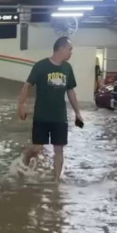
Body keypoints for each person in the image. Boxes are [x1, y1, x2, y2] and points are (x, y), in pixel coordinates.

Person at [17, 37, 82, 181]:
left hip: (60, 117)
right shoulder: (41, 66)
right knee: (37, 148)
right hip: (42, 116)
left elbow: (71, 91)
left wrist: (78, 112)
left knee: (59, 149)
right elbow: (27, 86)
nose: (71, 53)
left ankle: (56, 182)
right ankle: (25, 159)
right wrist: (21, 105)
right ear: (61, 49)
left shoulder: (67, 68)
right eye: (70, 50)